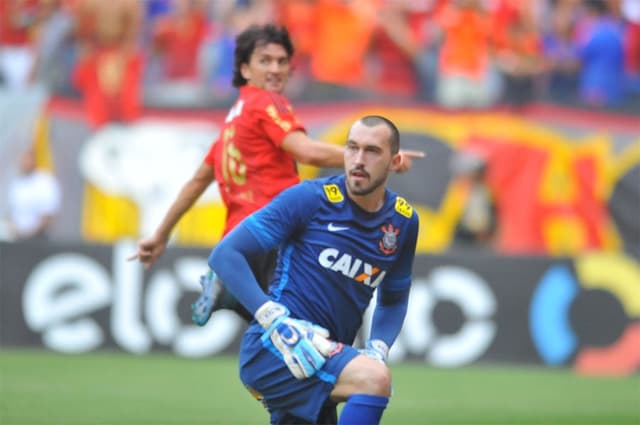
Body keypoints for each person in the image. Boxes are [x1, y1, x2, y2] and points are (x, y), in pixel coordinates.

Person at [129, 24, 423, 325]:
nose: (276, 69)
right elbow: (304, 151)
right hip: (278, 231)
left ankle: (231, 294)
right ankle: (234, 295)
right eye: (265, 61)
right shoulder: (266, 103)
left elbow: (197, 182)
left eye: (282, 62)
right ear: (244, 69)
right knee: (317, 325)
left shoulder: (235, 118)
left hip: (241, 240)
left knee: (278, 330)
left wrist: (160, 234)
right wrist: (374, 159)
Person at [206, 115, 419, 424]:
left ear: (394, 161)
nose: (359, 160)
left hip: (324, 357)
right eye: (352, 148)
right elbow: (226, 254)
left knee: (373, 370)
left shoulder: (403, 221)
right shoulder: (311, 199)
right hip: (275, 347)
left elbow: (394, 298)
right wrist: (274, 320)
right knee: (374, 379)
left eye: (372, 151)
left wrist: (378, 348)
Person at [6, 148, 62, 241]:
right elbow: (11, 213)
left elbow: (48, 214)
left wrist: (30, 234)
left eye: (27, 159)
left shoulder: (45, 182)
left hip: (39, 238)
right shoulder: (16, 183)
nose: (24, 163)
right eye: (22, 159)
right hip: (17, 238)